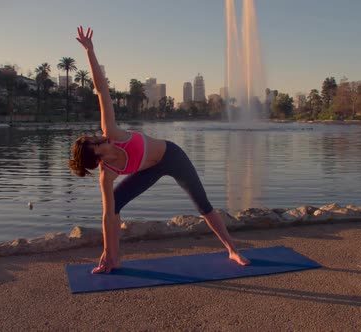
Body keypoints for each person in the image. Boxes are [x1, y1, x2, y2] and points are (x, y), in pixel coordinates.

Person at [70, 26, 250, 274]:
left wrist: (90, 51)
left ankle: (232, 250)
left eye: (96, 136)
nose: (101, 136)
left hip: (172, 157)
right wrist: (106, 251)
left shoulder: (111, 130)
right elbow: (107, 217)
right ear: (97, 154)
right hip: (149, 170)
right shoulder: (107, 174)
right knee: (114, 207)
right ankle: (114, 259)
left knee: (202, 204)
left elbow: (101, 90)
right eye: (96, 141)